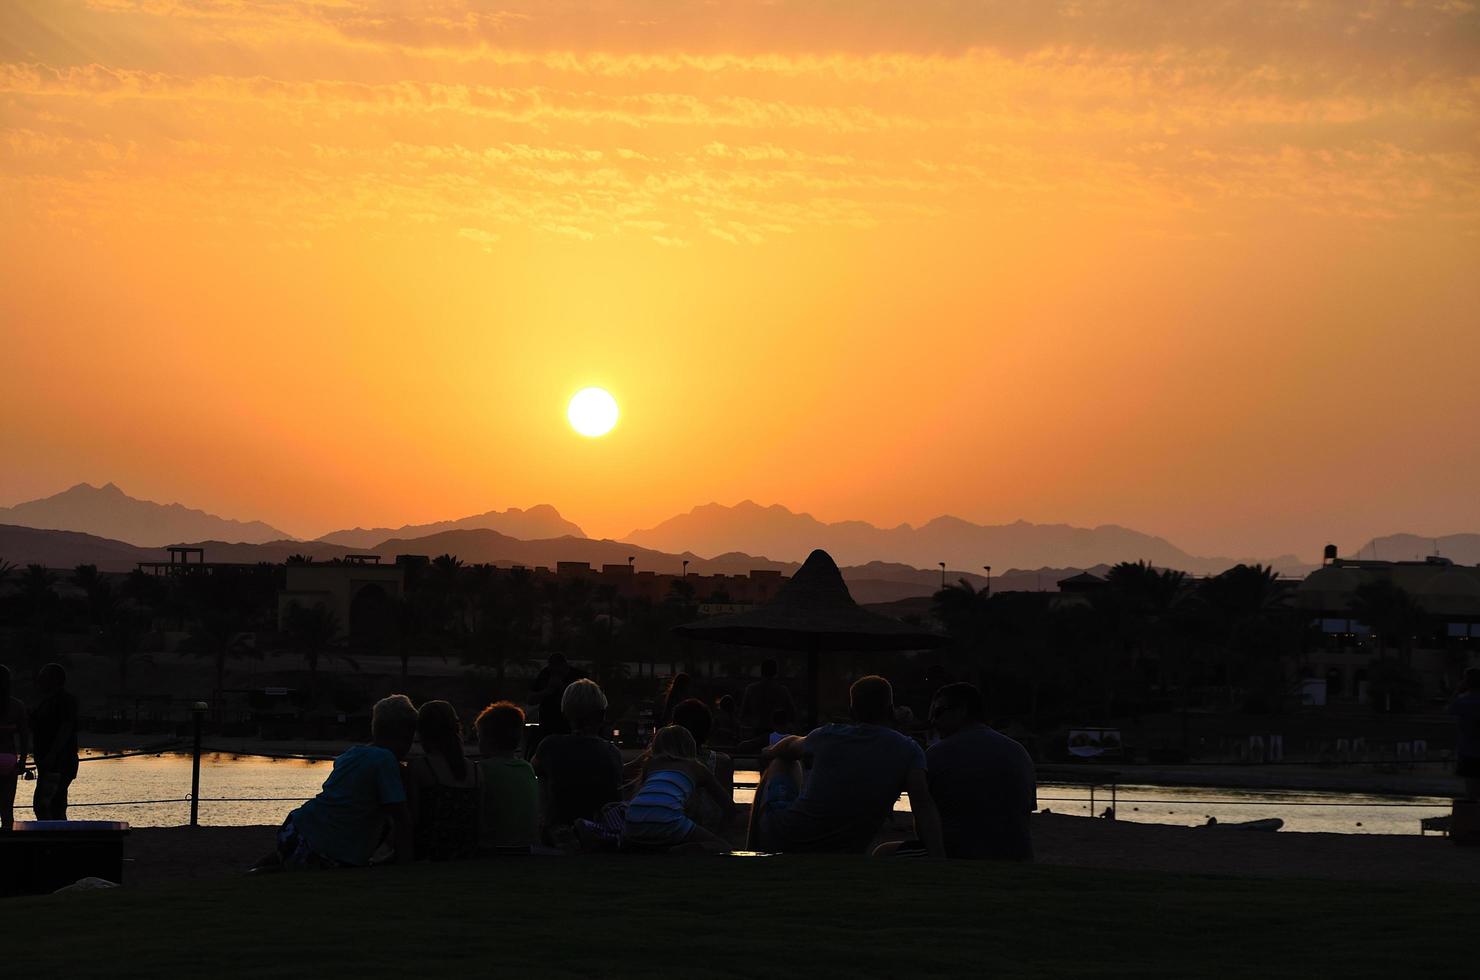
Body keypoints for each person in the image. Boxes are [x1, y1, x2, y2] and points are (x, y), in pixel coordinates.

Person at [748, 675, 943, 857]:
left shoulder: (828, 735)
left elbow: (789, 745)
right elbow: (921, 803)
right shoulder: (909, 750)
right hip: (845, 847)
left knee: (782, 761)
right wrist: (936, 853)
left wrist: (769, 752)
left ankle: (752, 848)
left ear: (852, 712)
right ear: (891, 709)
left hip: (785, 837)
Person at [259, 694, 417, 869]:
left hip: (296, 827)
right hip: (327, 848)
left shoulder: (352, 754)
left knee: (286, 860)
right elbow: (400, 816)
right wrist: (405, 862)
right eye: (409, 738)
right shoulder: (385, 760)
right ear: (401, 734)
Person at [919, 682, 1036, 860]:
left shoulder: (937, 754)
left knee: (884, 852)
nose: (933, 721)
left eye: (938, 712)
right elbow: (1025, 813)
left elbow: (923, 822)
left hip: (957, 855)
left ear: (961, 710)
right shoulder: (1019, 752)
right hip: (1017, 856)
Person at [531, 678, 623, 843]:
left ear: (566, 712)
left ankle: (548, 825)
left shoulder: (549, 746)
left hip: (560, 824)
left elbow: (533, 771)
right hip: (602, 824)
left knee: (539, 776)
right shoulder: (612, 752)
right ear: (601, 714)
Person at [622, 725, 734, 852]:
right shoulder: (696, 767)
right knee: (722, 845)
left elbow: (641, 795)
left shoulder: (651, 764)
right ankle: (679, 849)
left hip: (632, 822)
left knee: (652, 836)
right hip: (668, 820)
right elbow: (728, 805)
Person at [409, 700, 481, 861]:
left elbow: (412, 819)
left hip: (430, 852)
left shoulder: (420, 767)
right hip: (467, 852)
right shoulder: (475, 770)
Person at [474, 700, 539, 851]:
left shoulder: (481, 770)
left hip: (493, 846)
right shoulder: (527, 768)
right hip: (526, 846)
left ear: (487, 739)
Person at [670, 697, 735, 836]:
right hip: (711, 830)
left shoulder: (663, 761)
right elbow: (728, 809)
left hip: (675, 829)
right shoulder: (722, 762)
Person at [30, 663, 78, 821]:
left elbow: (66, 729)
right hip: (51, 762)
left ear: (54, 680)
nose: (39, 681)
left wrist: (52, 755)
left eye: (43, 678)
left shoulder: (64, 701)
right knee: (55, 803)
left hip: (58, 762)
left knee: (45, 804)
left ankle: (53, 837)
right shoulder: (46, 701)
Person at [526, 653, 578, 758]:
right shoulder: (545, 674)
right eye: (552, 670)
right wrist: (547, 691)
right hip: (547, 726)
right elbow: (530, 699)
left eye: (558, 670)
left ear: (565, 666)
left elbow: (580, 700)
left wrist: (562, 688)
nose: (555, 673)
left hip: (569, 727)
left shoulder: (577, 676)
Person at [1, 665, 32, 831]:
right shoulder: (17, 705)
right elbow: (25, 736)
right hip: (8, 759)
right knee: (7, 808)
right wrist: (22, 761)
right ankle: (7, 841)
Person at [740, 658, 795, 739]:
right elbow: (792, 713)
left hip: (756, 732)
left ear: (761, 671)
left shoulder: (751, 689)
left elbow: (743, 714)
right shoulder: (782, 691)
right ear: (775, 672)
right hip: (777, 733)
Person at [1452, 668, 1480, 801]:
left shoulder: (1462, 701)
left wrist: (1457, 690)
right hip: (1469, 749)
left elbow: (1450, 709)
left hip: (1467, 751)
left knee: (1471, 793)